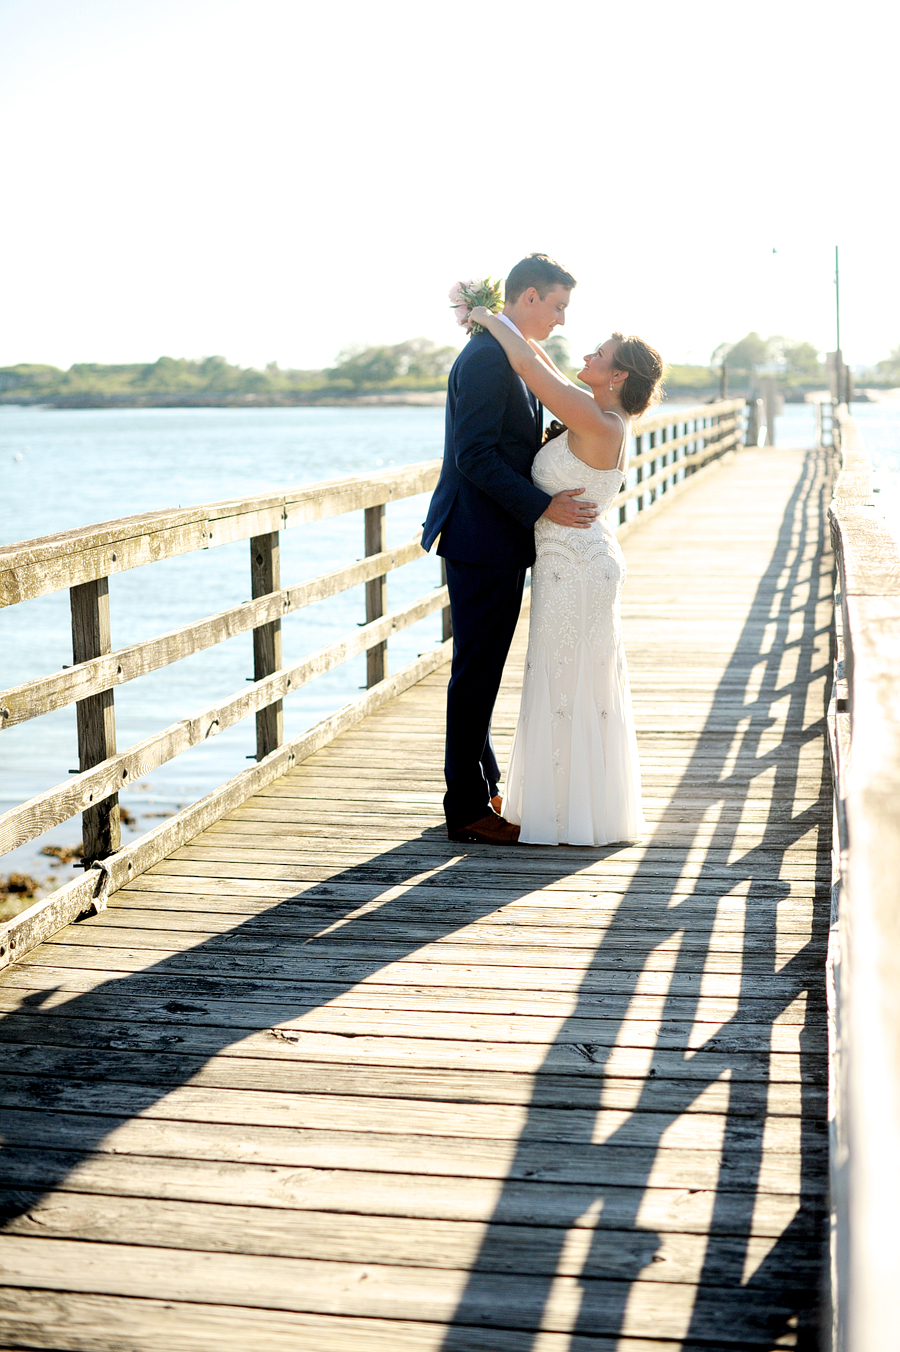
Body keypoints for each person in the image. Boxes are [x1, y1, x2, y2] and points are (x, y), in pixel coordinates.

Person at [467, 307, 664, 845]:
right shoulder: (597, 416)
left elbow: (532, 368)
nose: (585, 357)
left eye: (598, 355)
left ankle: (569, 813)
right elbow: (541, 365)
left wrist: (488, 314)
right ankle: (566, 804)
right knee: (567, 680)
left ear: (619, 375)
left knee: (568, 682)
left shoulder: (597, 421)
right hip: (570, 562)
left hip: (574, 568)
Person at [422, 254, 597, 845]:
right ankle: (466, 809)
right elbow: (473, 456)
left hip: (493, 537)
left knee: (485, 669)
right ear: (527, 299)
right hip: (480, 538)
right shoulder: (487, 360)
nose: (562, 319)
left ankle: (484, 781)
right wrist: (543, 505)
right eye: (558, 306)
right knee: (475, 674)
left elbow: (505, 443)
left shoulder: (505, 354)